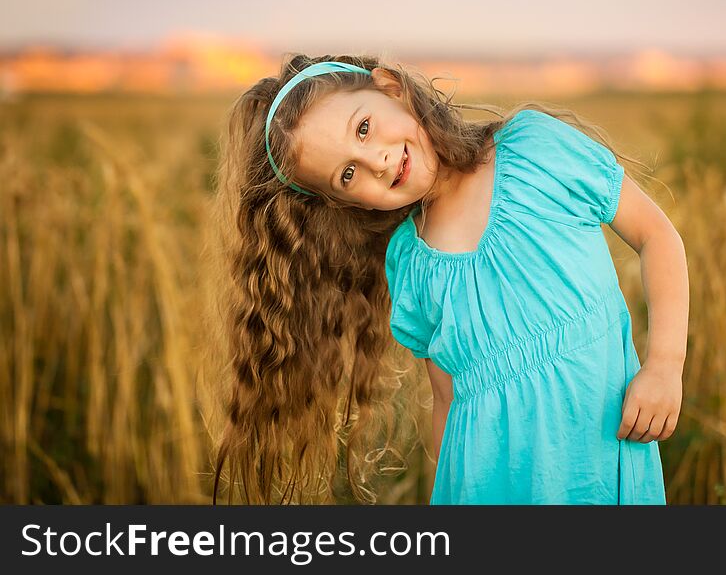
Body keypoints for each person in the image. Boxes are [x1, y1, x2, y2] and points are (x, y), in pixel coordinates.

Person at [209, 53, 689, 505]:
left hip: (597, 460)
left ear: (392, 89)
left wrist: (665, 365)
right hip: (487, 487)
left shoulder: (536, 149)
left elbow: (656, 237)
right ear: (348, 205)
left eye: (364, 127)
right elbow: (446, 401)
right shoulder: (412, 264)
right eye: (348, 173)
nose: (376, 161)